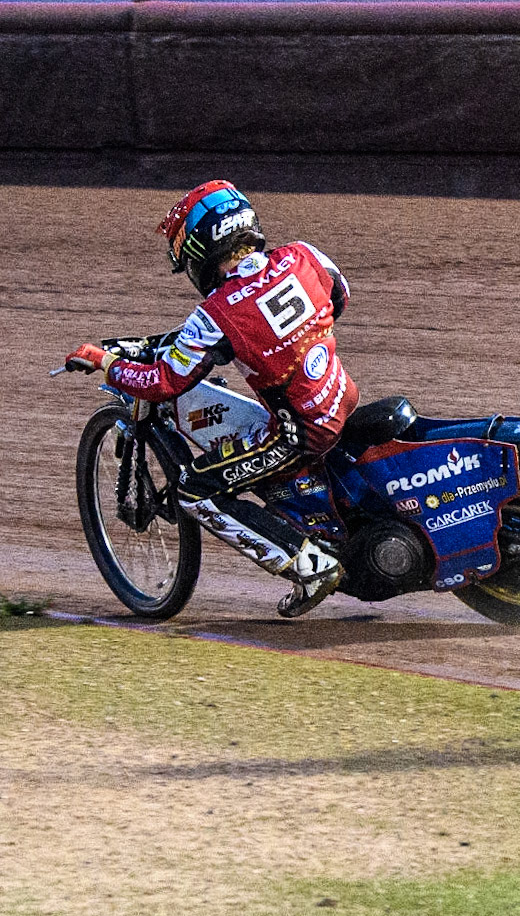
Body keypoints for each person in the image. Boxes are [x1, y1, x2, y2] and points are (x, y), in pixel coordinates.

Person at [65, 181, 356, 618]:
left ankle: (310, 565)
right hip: (342, 394)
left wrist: (105, 362)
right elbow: (340, 295)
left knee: (195, 490)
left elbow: (163, 382)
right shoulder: (301, 254)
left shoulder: (216, 314)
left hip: (301, 434)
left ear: (202, 250)